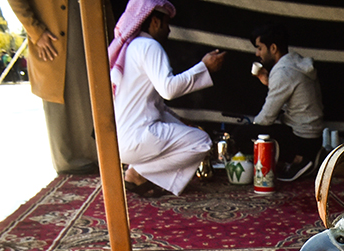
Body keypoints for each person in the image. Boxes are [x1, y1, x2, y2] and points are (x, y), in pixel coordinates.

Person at [109, 0, 225, 196]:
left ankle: (137, 170)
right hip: (137, 139)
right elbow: (168, 90)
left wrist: (180, 121)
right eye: (166, 23)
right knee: (201, 142)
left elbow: (155, 105)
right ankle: (137, 172)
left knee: (185, 131)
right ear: (155, 22)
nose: (169, 30)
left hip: (118, 141)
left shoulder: (132, 47)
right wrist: (204, 67)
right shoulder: (149, 46)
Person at [8, 0, 101, 174]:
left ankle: (99, 156)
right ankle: (72, 165)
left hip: (90, 23)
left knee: (93, 93)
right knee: (62, 95)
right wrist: (36, 32)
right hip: (55, 34)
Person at [233, 21, 324, 182]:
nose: (257, 53)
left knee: (241, 134)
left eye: (260, 48)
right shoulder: (296, 64)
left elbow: (266, 118)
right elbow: (294, 95)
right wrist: (269, 82)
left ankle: (299, 160)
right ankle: (306, 156)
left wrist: (252, 127)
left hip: (301, 139)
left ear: (273, 48)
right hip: (314, 137)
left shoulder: (283, 72)